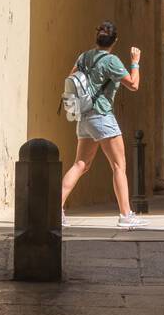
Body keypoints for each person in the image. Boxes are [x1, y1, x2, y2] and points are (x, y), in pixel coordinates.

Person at [61, 20, 143, 230]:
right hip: (102, 117)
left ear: (97, 38)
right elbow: (133, 84)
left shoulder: (84, 56)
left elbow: (71, 78)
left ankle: (54, 208)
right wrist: (135, 62)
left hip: (85, 117)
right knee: (118, 166)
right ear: (115, 41)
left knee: (80, 164)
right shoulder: (111, 61)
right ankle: (126, 215)